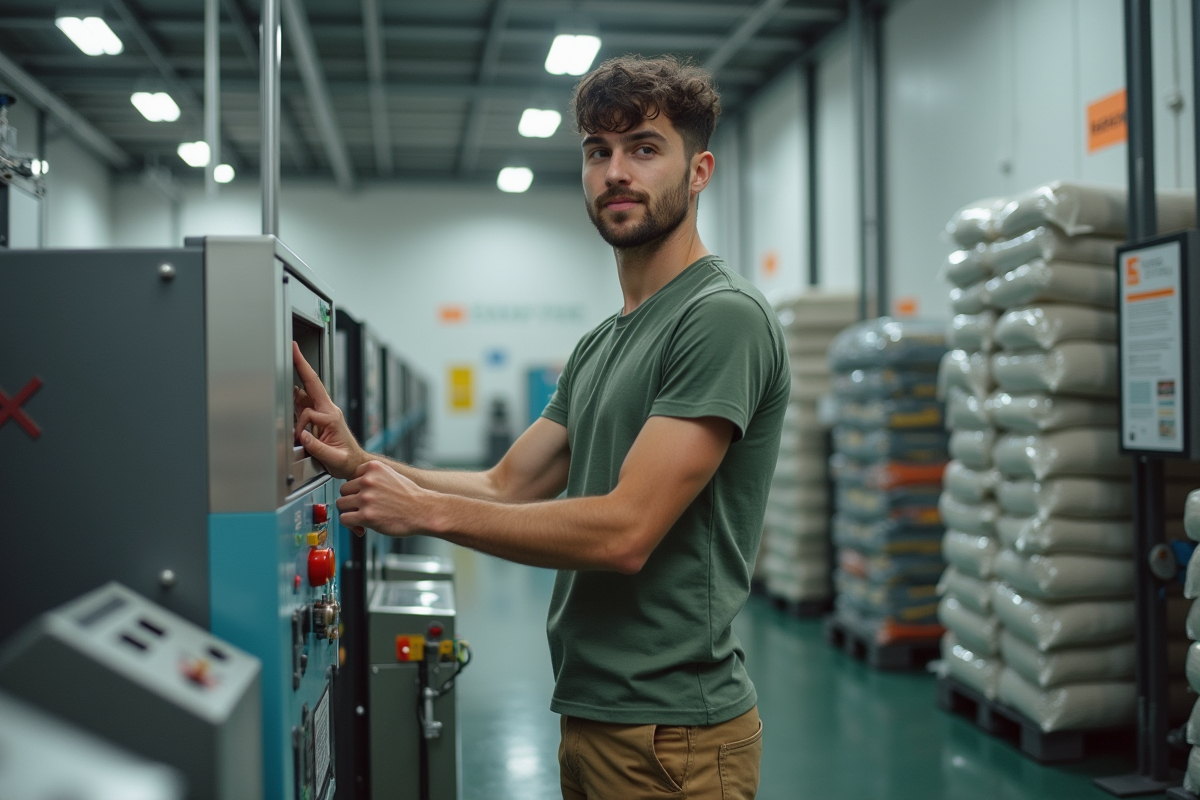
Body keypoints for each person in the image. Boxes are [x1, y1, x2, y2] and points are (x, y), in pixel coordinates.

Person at [293, 55, 789, 799]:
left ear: (699, 171)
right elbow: (506, 482)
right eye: (598, 152)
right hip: (594, 713)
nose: (616, 171)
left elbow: (626, 532)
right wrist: (363, 464)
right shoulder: (603, 340)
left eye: (644, 149)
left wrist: (424, 511)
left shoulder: (719, 317)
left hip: (671, 735)